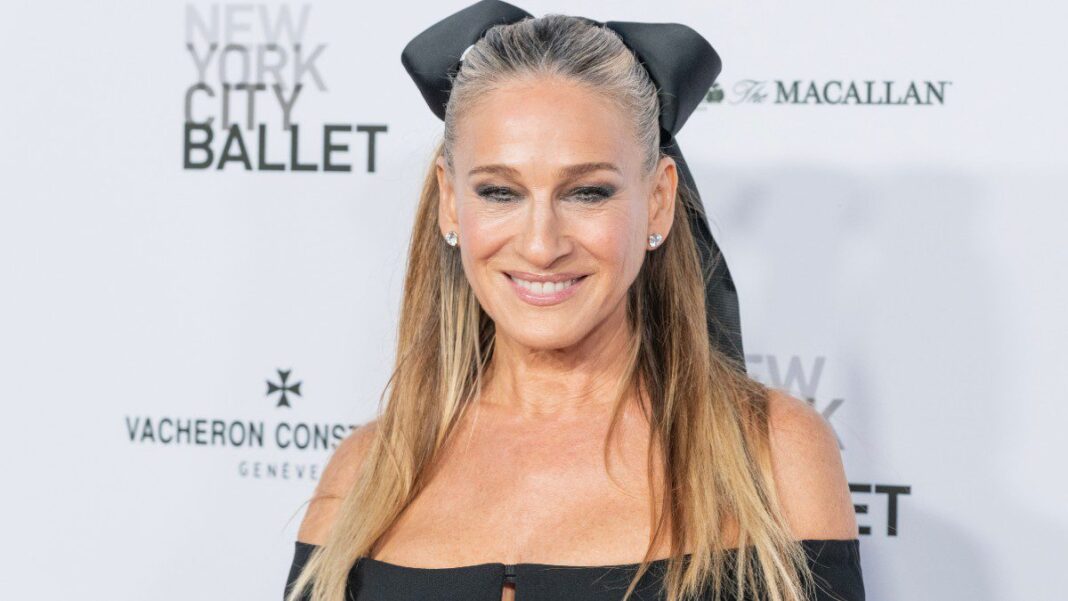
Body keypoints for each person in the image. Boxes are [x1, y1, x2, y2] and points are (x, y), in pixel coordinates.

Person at [285, 2, 865, 600]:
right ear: (451, 202)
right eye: (500, 192)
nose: (542, 245)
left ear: (658, 201)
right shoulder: (363, 475)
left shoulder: (772, 456)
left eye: (587, 192)